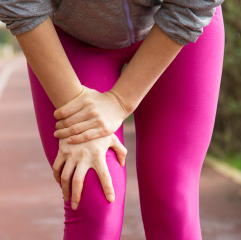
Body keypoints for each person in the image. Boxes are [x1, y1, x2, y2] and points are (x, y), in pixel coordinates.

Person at [0, 0, 225, 239]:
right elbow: (19, 4)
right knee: (93, 197)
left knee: (173, 200)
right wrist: (79, 108)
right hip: (70, 34)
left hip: (179, 21)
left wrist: (119, 102)